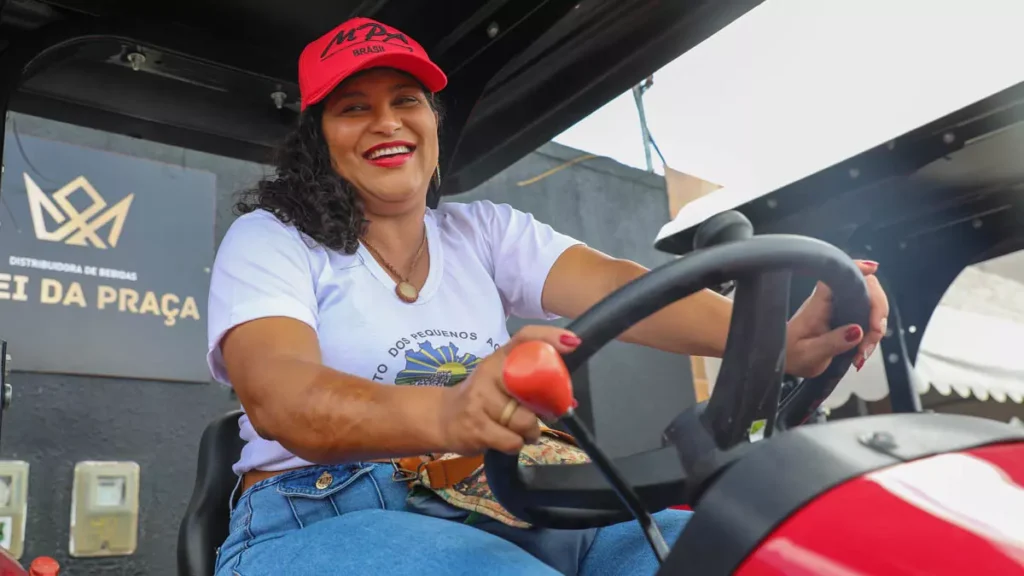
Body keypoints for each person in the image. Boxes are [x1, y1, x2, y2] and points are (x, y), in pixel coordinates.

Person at [207, 17, 890, 576]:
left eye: (405, 101)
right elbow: (282, 398)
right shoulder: (272, 239)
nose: (387, 123)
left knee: (727, 554)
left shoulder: (482, 232)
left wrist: (784, 340)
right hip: (323, 510)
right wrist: (451, 412)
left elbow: (621, 288)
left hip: (506, 495)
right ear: (318, 141)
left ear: (434, 124)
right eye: (354, 108)